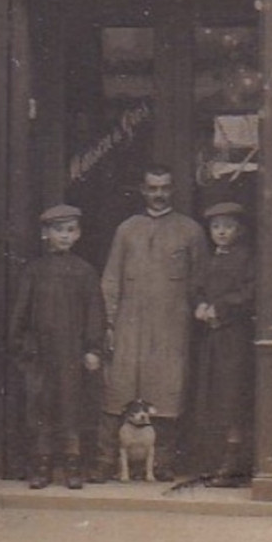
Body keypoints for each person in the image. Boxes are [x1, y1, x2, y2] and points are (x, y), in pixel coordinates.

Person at [98, 165, 207, 481]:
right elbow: (111, 279)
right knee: (118, 389)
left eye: (165, 188)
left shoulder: (190, 230)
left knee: (167, 391)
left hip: (171, 326)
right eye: (153, 188)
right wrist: (108, 323)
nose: (159, 194)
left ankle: (162, 462)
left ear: (173, 190)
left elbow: (201, 281)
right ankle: (107, 460)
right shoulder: (127, 229)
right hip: (129, 324)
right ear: (143, 190)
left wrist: (194, 317)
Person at [8, 204, 107, 490]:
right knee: (41, 410)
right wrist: (23, 351)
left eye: (71, 230)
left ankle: (73, 466)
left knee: (71, 409)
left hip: (72, 355)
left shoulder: (85, 272)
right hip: (40, 355)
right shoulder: (34, 272)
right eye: (58, 230)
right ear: (45, 234)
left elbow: (95, 314)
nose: (65, 236)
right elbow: (20, 315)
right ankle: (42, 466)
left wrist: (93, 348)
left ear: (79, 234)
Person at [190, 201, 256, 486]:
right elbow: (196, 288)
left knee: (231, 398)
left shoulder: (246, 258)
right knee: (211, 396)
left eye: (228, 227)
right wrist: (200, 304)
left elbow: (249, 293)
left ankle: (234, 462)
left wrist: (221, 308)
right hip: (211, 338)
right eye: (216, 227)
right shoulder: (209, 259)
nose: (221, 232)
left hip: (234, 338)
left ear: (238, 230)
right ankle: (214, 459)